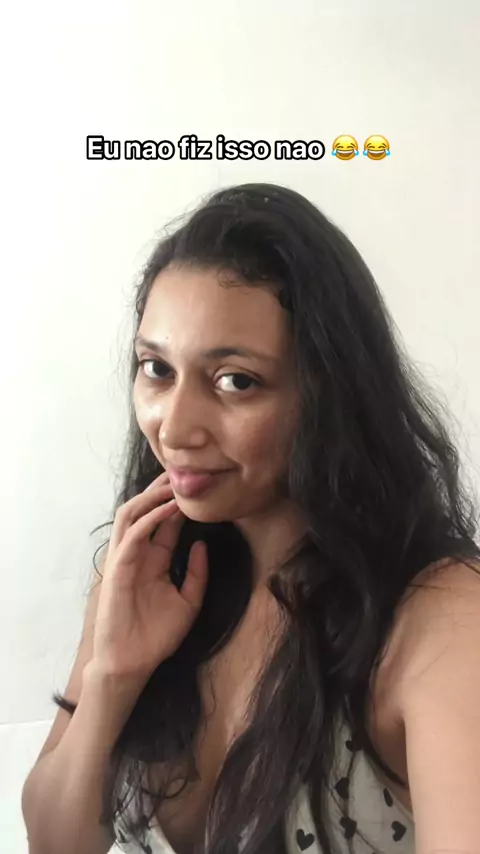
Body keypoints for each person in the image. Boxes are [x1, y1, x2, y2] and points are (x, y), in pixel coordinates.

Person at [22, 183, 480, 854]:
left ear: (328, 392)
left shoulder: (441, 615)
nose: (174, 427)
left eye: (235, 380)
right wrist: (111, 676)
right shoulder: (145, 568)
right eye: (156, 369)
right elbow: (54, 844)